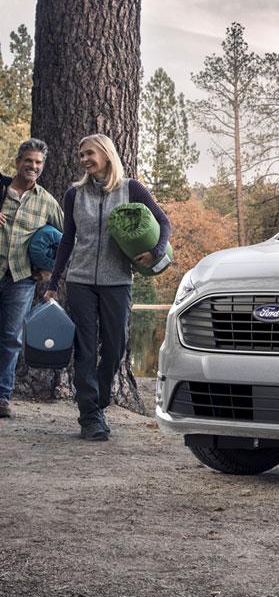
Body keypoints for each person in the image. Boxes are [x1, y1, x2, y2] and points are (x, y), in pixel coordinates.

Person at [45, 134, 171, 440]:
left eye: (89, 153)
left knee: (115, 346)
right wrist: (53, 282)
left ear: (106, 154)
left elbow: (163, 222)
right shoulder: (74, 195)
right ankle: (90, 415)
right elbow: (67, 241)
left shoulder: (131, 189)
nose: (84, 160)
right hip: (80, 281)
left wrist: (156, 252)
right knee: (85, 349)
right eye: (81, 155)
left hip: (118, 281)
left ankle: (98, 400)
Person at [0, 139, 64, 419]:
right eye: (29, 161)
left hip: (22, 279)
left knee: (10, 338)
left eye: (38, 163)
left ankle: (2, 397)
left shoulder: (47, 201)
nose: (33, 166)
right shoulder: (1, 189)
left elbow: (69, 240)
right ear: (18, 162)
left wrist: (50, 272)